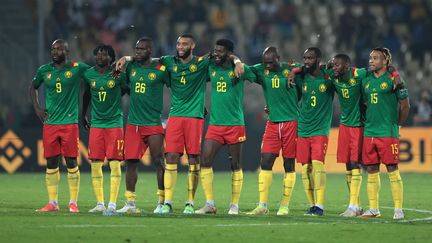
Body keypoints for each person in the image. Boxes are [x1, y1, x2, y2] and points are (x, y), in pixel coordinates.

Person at [115, 34, 243, 214]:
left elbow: (223, 55)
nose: (180, 46)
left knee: (193, 159)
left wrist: (237, 61)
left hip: (194, 118)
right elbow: (148, 59)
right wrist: (126, 58)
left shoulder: (201, 63)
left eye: (185, 44)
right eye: (178, 43)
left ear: (192, 46)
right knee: (171, 158)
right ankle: (167, 202)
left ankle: (189, 203)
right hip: (175, 116)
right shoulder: (168, 62)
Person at [195, 39, 256, 215]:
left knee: (235, 164)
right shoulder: (211, 68)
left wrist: (237, 61)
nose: (217, 54)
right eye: (215, 51)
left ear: (228, 53)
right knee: (205, 160)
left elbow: (258, 76)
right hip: (215, 124)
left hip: (235, 124)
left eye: (221, 51)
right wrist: (212, 55)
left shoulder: (239, 70)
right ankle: (209, 204)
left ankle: (234, 205)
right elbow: (195, 66)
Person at [30, 39, 90, 213]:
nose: (55, 52)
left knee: (71, 161)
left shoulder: (77, 68)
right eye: (53, 49)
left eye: (59, 49)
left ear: (66, 52)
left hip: (69, 123)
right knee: (51, 162)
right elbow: (32, 87)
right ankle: (52, 202)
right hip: (50, 123)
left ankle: (73, 202)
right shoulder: (44, 70)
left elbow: (95, 74)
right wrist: (38, 109)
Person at [116, 37, 169, 214]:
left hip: (153, 123)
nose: (138, 51)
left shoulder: (161, 70)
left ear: (150, 51)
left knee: (159, 161)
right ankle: (130, 203)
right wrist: (127, 59)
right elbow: (123, 86)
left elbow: (177, 87)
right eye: (136, 49)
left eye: (142, 49)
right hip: (133, 124)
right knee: (130, 162)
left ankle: (162, 202)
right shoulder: (130, 68)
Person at [246, 47, 301, 216]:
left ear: (278, 58)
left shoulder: (291, 69)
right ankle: (262, 205)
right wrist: (236, 61)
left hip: (291, 122)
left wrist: (296, 69)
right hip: (272, 123)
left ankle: (284, 205)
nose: (268, 66)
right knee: (265, 161)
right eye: (265, 62)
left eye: (271, 62)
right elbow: (244, 69)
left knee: (288, 164)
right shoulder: (262, 71)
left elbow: (310, 67)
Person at [359, 47, 410, 220]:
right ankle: (374, 209)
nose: (371, 61)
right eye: (370, 57)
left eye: (375, 58)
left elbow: (405, 105)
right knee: (371, 169)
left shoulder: (394, 80)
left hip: (387, 132)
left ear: (385, 60)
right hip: (369, 131)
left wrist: (398, 126)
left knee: (392, 169)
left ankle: (398, 210)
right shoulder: (366, 79)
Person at [82, 44, 127, 214]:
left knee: (115, 164)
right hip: (97, 125)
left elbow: (126, 89)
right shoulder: (88, 74)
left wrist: (113, 98)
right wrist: (83, 115)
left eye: (104, 54)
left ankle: (113, 204)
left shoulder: (118, 75)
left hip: (114, 124)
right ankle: (100, 203)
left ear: (111, 58)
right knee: (95, 163)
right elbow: (87, 94)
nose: (100, 57)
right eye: (98, 54)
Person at [295, 47, 334, 216]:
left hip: (320, 129)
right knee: (305, 169)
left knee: (318, 165)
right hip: (303, 128)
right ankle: (312, 205)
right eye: (304, 58)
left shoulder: (329, 77)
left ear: (318, 59)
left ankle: (320, 205)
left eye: (310, 58)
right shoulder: (301, 77)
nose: (306, 61)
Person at [329, 54, 367, 217]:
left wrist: (394, 73)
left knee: (355, 163)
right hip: (344, 125)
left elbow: (380, 69)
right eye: (333, 65)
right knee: (347, 165)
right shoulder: (333, 76)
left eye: (337, 65)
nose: (334, 68)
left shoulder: (359, 74)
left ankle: (353, 206)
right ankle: (355, 205)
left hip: (358, 125)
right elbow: (312, 68)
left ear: (347, 66)